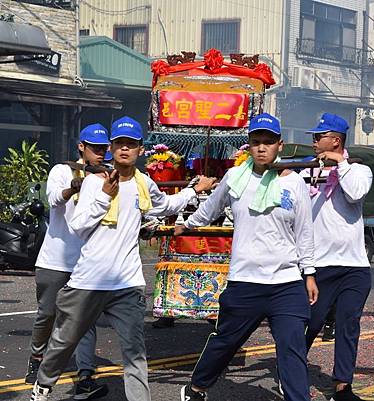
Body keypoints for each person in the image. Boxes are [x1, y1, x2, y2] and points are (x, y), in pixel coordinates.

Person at [30, 116, 208, 401]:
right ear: (112, 149)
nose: (125, 149)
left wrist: (192, 190)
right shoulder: (92, 183)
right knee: (63, 342)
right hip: (88, 281)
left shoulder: (144, 184)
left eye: (131, 144)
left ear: (140, 150)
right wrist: (104, 197)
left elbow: (165, 205)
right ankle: (42, 387)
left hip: (127, 283)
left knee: (135, 352)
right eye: (119, 144)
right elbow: (78, 226)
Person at [177, 113, 318, 401]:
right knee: (227, 342)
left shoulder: (295, 184)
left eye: (268, 142)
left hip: (286, 282)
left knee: (292, 346)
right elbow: (210, 209)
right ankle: (197, 388)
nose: (262, 148)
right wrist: (186, 225)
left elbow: (304, 231)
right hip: (245, 280)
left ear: (280, 145)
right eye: (256, 142)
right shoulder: (235, 177)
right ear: (249, 146)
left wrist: (310, 272)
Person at [26, 124, 109, 400]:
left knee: (84, 321)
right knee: (47, 315)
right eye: (94, 148)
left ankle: (85, 375)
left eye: (102, 148)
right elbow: (52, 200)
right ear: (81, 147)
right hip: (55, 259)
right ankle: (37, 357)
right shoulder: (62, 170)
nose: (99, 153)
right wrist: (73, 187)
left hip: (86, 264)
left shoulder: (108, 176)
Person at [304, 113, 373, 401]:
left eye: (318, 136)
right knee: (312, 322)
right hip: (319, 263)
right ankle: (291, 367)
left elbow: (355, 194)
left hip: (354, 265)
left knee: (348, 325)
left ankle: (343, 386)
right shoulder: (304, 172)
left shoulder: (359, 171)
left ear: (335, 140)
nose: (314, 141)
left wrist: (340, 164)